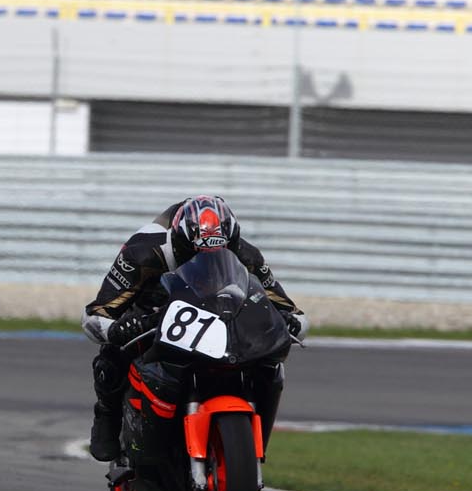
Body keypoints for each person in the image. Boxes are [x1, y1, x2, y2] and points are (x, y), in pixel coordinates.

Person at [82, 194, 307, 463]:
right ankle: (107, 415)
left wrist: (290, 320)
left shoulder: (246, 255)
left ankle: (252, 438)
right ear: (178, 242)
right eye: (195, 254)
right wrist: (117, 329)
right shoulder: (142, 252)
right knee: (113, 354)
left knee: (270, 364)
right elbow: (95, 315)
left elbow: (293, 313)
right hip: (152, 309)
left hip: (217, 312)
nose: (206, 260)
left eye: (219, 253)